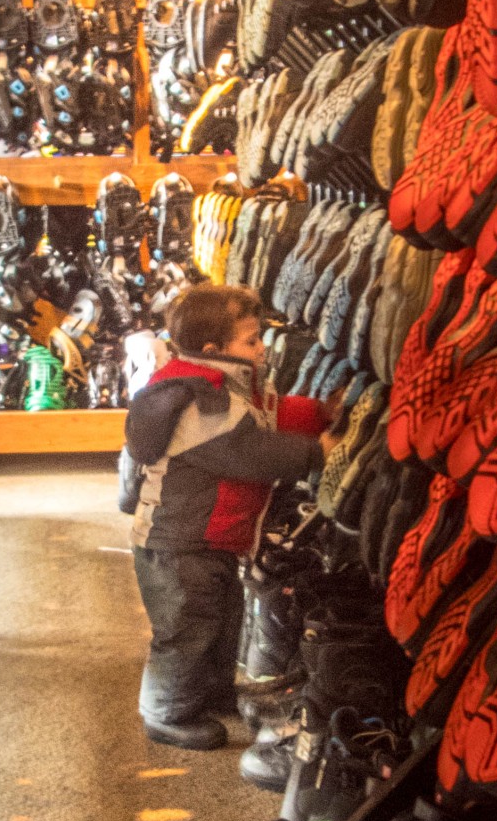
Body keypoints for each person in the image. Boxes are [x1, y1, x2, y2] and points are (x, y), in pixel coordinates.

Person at [119, 283, 339, 750]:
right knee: (185, 630)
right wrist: (316, 452)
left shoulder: (232, 388)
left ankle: (208, 693)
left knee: (221, 620)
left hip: (209, 538)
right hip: (177, 542)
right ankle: (166, 711)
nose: (262, 350)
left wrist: (320, 413)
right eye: (251, 341)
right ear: (214, 350)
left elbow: (272, 416)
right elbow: (249, 453)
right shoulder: (202, 400)